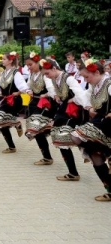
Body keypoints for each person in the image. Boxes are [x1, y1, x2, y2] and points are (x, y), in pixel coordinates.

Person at [42, 59, 88, 182]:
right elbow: (52, 89)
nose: (46, 76)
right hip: (63, 110)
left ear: (54, 69)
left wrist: (80, 102)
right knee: (58, 137)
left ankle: (89, 150)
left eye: (47, 73)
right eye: (44, 74)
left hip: (74, 111)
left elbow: (79, 92)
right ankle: (73, 172)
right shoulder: (53, 79)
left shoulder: (68, 78)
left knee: (63, 138)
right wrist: (55, 95)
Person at [71, 61, 111, 201]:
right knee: (95, 157)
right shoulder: (95, 85)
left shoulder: (109, 84)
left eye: (87, 77)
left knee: (76, 137)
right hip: (100, 122)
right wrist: (89, 108)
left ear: (97, 73)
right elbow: (84, 98)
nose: (86, 80)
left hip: (107, 124)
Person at [0, 52, 29, 153]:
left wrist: (21, 92)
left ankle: (16, 123)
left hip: (14, 101)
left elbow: (23, 85)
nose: (2, 61)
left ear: (10, 61)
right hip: (6, 100)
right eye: (2, 59)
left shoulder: (16, 73)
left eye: (4, 59)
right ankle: (11, 146)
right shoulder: (3, 73)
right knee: (2, 125)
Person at [24, 53, 57, 165]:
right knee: (38, 133)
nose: (29, 67)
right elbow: (27, 86)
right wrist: (28, 91)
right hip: (34, 103)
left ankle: (52, 129)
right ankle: (47, 157)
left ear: (37, 62)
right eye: (27, 65)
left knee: (35, 127)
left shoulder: (44, 75)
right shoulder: (32, 75)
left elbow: (52, 89)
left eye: (30, 64)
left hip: (45, 104)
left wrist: (46, 95)